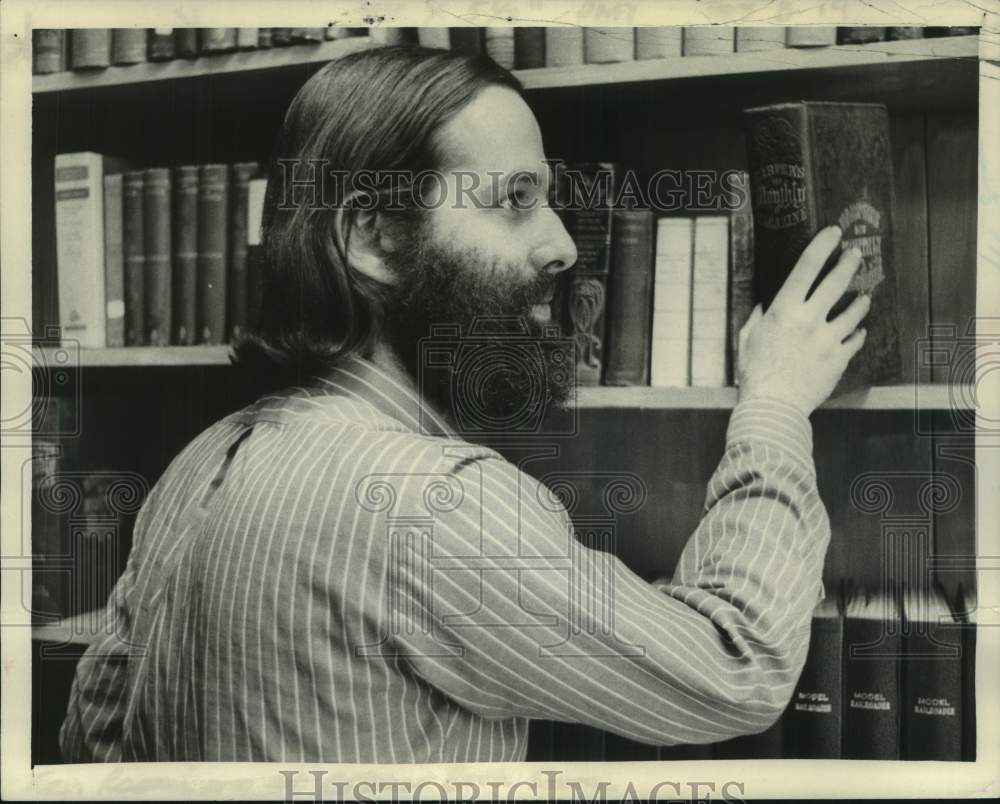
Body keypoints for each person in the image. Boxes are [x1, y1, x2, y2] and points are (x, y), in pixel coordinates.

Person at [59, 45, 871, 763]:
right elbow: (737, 667)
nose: (560, 244)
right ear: (373, 239)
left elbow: (95, 741)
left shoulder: (200, 458)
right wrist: (775, 404)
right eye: (514, 199)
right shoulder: (433, 503)